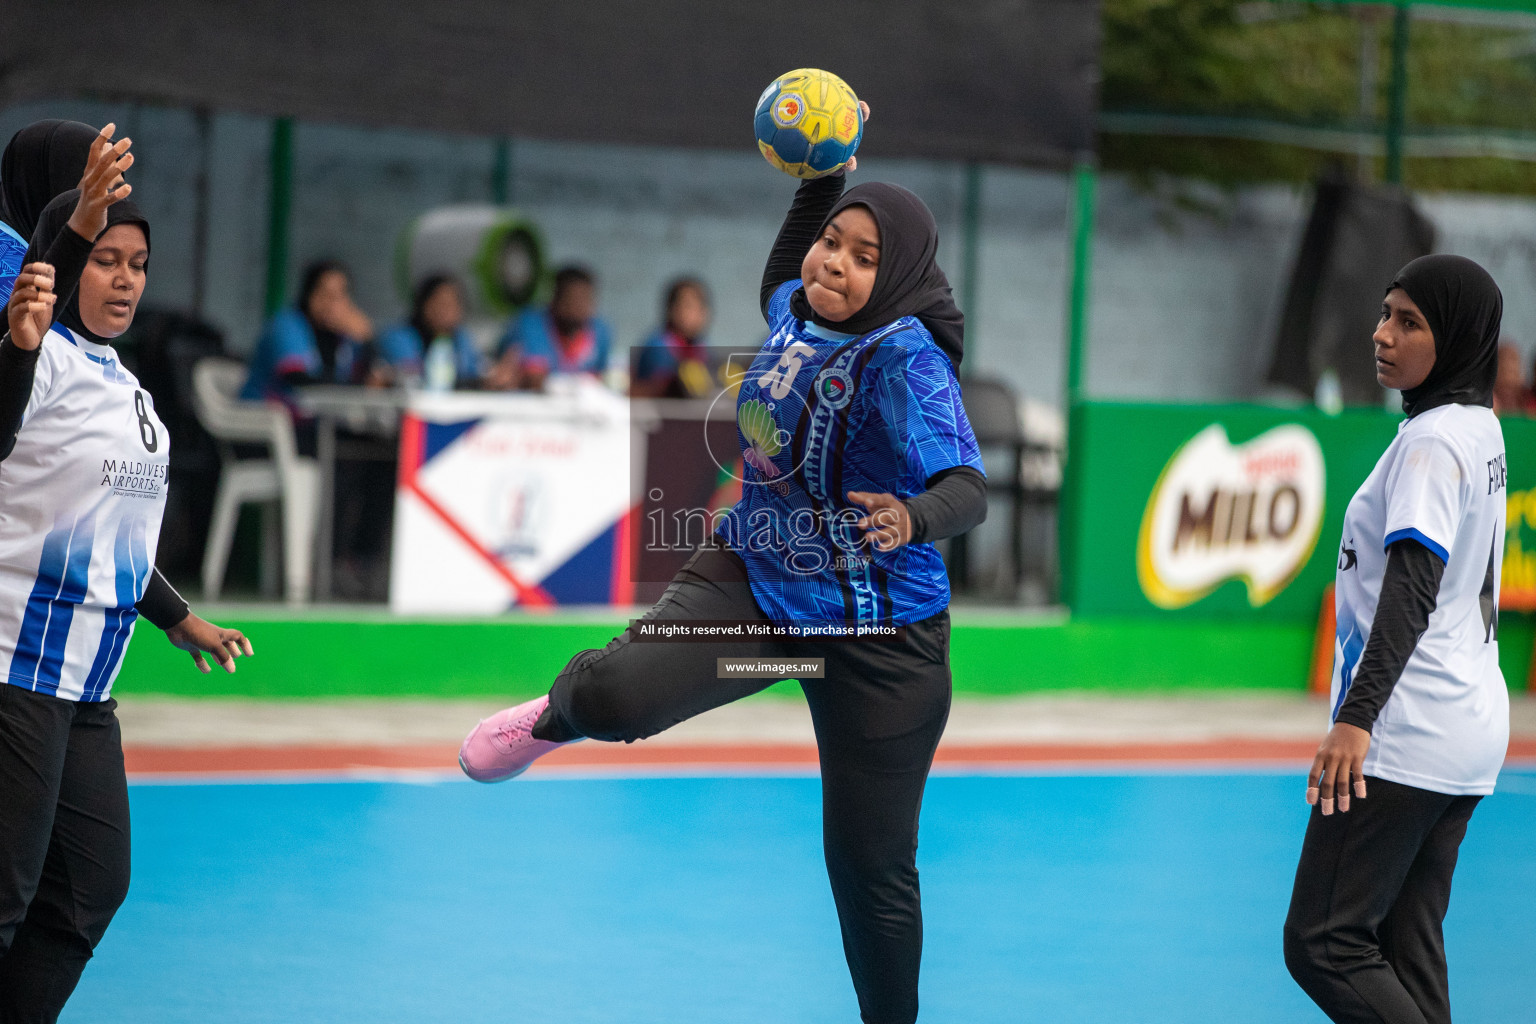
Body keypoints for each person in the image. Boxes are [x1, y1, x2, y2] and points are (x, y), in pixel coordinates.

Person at [460, 105, 990, 1024]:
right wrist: (825, 170)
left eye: (865, 256)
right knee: (622, 698)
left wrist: (912, 514)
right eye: (834, 242)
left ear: (898, 274)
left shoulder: (908, 363)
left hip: (880, 646)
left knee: (871, 871)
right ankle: (558, 712)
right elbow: (784, 267)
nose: (835, 263)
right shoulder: (793, 306)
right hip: (761, 606)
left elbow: (969, 487)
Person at [0, 149, 252, 1022]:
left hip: (88, 688)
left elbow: (110, 540)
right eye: (106, 258)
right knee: (4, 903)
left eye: (138, 264)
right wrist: (28, 324)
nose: (126, 280)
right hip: (15, 673)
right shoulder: (34, 362)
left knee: (88, 891)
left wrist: (179, 618)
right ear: (67, 266)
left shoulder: (127, 387)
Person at [1284, 255, 1508, 1024]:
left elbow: (1411, 592)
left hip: (1408, 728)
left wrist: (1355, 720)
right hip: (1469, 727)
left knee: (1323, 941)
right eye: (1385, 314)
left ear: (1459, 337)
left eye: (1410, 322)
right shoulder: (1478, 428)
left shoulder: (1431, 442)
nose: (1383, 334)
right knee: (1406, 946)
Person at [239, 259, 379, 408]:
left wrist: (368, 340)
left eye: (339, 296)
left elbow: (366, 379)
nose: (332, 304)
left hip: (313, 421)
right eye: (326, 294)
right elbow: (299, 380)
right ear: (309, 294)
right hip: (262, 418)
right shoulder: (288, 325)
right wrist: (355, 385)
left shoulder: (343, 335)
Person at [0, 119, 100, 302]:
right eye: (94, 192)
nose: (108, 209)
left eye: (117, 193)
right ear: (45, 188)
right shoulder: (10, 279)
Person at [486, 264, 612, 390]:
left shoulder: (601, 331)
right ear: (555, 298)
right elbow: (534, 379)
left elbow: (600, 377)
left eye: (585, 299)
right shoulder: (530, 324)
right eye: (572, 299)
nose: (579, 307)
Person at [376, 274, 481, 389]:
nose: (445, 311)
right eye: (440, 303)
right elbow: (412, 376)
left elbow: (472, 375)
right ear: (423, 304)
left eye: (452, 304)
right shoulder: (397, 337)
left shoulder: (462, 339)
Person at [630, 276, 714, 398]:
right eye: (689, 306)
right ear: (672, 309)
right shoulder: (658, 346)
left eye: (701, 307)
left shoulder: (703, 347)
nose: (698, 313)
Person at [1492, 340, 1532, 416]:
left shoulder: (1530, 402)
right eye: (1503, 369)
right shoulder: (1486, 405)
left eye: (1512, 371)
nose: (1508, 376)